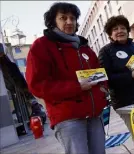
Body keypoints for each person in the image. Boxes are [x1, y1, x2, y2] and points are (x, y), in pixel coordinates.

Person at [25, 2, 107, 153]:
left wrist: (102, 89)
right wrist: (77, 87)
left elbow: (100, 73)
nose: (69, 22)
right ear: (53, 21)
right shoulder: (41, 46)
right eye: (63, 18)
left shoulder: (84, 46)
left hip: (94, 114)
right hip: (68, 117)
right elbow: (37, 85)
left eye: (72, 18)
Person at [98, 15, 134, 110]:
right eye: (115, 29)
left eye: (123, 28)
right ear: (110, 34)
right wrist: (130, 76)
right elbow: (106, 79)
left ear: (127, 31)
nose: (120, 31)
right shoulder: (105, 51)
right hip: (126, 103)